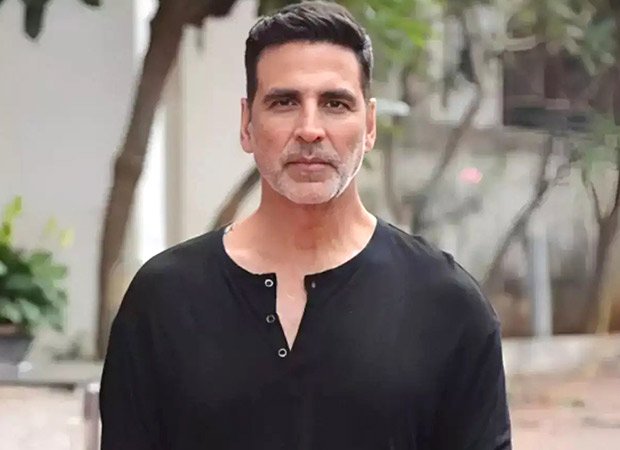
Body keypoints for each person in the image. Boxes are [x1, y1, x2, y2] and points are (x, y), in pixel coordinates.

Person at [99, 2, 512, 449]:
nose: (310, 129)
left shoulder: (449, 306)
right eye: (284, 102)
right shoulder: (163, 301)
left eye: (335, 103)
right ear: (247, 125)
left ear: (369, 125)